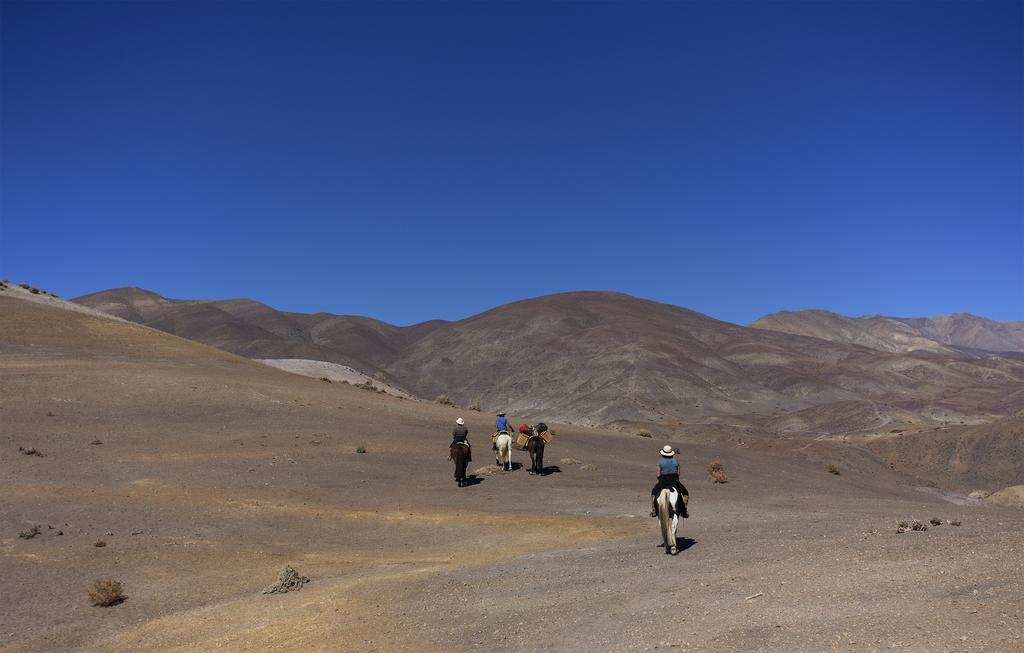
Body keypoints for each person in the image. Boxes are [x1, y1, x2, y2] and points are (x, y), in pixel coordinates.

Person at [650, 445, 689, 518]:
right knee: (685, 492)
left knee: (653, 493)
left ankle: (654, 510)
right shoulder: (675, 461)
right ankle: (684, 511)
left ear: (663, 453)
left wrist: (662, 478)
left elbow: (658, 474)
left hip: (663, 481)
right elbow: (678, 473)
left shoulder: (660, 461)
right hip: (675, 481)